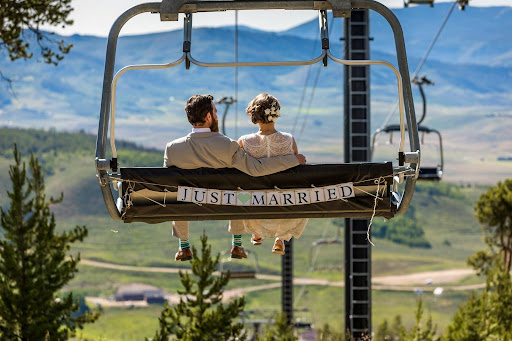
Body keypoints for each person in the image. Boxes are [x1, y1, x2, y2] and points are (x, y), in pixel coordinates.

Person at [164, 94, 306, 261]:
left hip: (188, 204)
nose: (216, 115)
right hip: (222, 203)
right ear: (209, 116)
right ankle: (237, 243)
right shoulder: (227, 145)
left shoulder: (172, 149)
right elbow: (255, 168)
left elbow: (169, 185)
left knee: (179, 193)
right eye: (216, 112)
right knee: (237, 190)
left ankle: (184, 246)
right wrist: (293, 159)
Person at [234, 93, 309, 255]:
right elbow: (296, 172)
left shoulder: (244, 141)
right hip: (283, 201)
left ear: (254, 115)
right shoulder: (289, 140)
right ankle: (280, 238)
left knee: (243, 193)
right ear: (275, 113)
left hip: (255, 202)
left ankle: (257, 230)